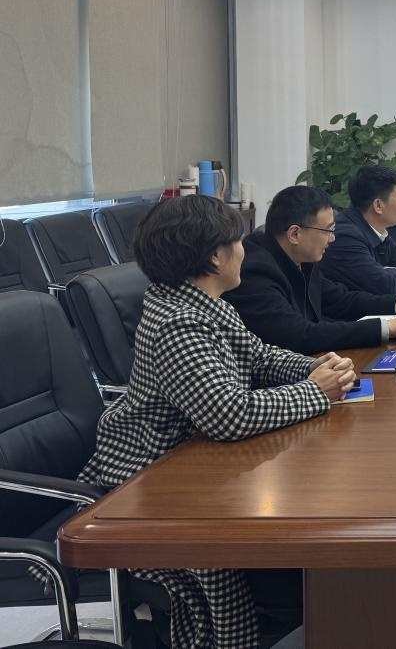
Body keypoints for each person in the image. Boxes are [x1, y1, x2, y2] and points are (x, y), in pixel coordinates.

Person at [77, 195, 355, 649]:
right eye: (238, 241)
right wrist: (314, 392)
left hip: (199, 459)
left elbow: (259, 357)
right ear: (214, 257)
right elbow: (230, 415)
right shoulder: (179, 323)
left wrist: (312, 366)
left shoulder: (206, 303)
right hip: (153, 479)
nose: (245, 250)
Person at [225, 185, 396, 354]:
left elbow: (341, 300)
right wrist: (387, 327)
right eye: (328, 230)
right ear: (295, 234)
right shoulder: (255, 271)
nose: (333, 238)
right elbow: (299, 335)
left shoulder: (301, 257)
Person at [321, 165, 396, 296]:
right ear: (378, 205)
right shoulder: (345, 237)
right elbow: (386, 285)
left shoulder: (378, 229)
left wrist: (389, 272)